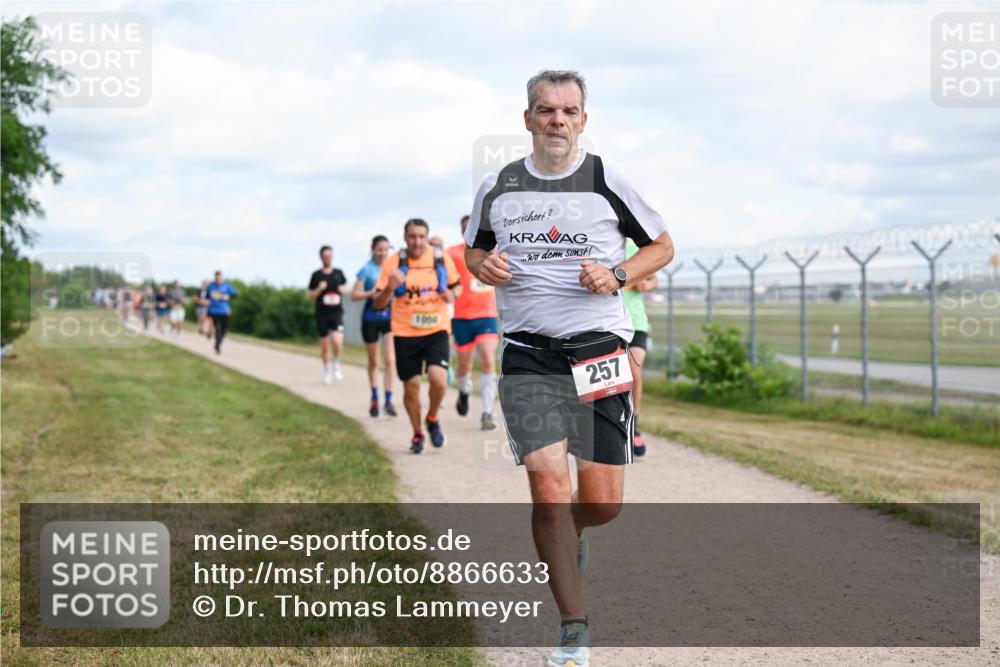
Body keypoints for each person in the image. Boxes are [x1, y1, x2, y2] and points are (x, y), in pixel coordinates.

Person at [465, 70, 674, 667]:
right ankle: (573, 627)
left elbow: (662, 246)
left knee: (602, 504)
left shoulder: (609, 181)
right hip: (529, 353)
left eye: (569, 110)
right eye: (545, 110)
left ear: (584, 119)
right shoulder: (498, 185)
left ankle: (566, 536)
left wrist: (617, 275)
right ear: (526, 118)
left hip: (599, 350)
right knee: (549, 486)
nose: (557, 120)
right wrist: (483, 267)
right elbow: (474, 247)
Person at [372, 218, 459, 454]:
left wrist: (452, 294)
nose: (417, 241)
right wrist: (390, 287)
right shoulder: (394, 262)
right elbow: (378, 304)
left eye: (421, 236)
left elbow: (457, 286)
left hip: (436, 328)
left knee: (439, 379)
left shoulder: (440, 258)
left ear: (427, 236)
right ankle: (417, 432)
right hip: (404, 331)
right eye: (412, 236)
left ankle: (432, 417)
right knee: (411, 386)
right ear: (405, 237)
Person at [446, 215, 500, 430]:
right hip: (462, 318)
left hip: (486, 315)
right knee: (464, 365)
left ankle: (487, 412)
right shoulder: (453, 253)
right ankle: (464, 389)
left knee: (488, 357)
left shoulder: (496, 251)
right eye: (465, 228)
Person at [351, 235, 397, 417]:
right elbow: (354, 295)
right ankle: (375, 397)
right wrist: (373, 293)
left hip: (388, 318)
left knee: (390, 361)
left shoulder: (392, 268)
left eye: (386, 249)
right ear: (373, 250)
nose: (382, 253)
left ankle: (388, 400)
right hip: (370, 318)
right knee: (374, 362)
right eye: (379, 249)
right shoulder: (366, 270)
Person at [623, 239, 658, 457]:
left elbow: (653, 277)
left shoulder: (633, 246)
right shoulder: (598, 240)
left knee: (634, 372)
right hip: (605, 322)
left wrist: (648, 284)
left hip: (635, 321)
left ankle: (634, 425)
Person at [308, 246, 349, 385]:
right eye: (325, 256)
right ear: (321, 257)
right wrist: (320, 288)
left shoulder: (338, 273)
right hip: (322, 314)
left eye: (329, 256)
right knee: (325, 345)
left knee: (337, 341)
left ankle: (336, 362)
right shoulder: (316, 275)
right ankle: (326, 370)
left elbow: (346, 288)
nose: (327, 258)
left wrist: (342, 289)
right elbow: (311, 296)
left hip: (336, 313)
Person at [207, 271, 237, 354]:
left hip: (224, 310)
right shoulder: (211, 286)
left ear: (222, 278)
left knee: (225, 329)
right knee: (218, 328)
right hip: (214, 310)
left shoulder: (227, 286)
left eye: (220, 278)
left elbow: (235, 295)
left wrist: (228, 297)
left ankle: (218, 343)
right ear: (215, 278)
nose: (218, 279)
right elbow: (207, 297)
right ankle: (217, 345)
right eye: (217, 278)